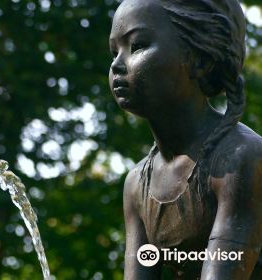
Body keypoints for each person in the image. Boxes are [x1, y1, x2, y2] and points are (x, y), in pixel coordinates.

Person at [108, 0, 262, 279]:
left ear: (200, 60)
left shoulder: (241, 158)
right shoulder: (136, 184)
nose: (117, 64)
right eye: (114, 51)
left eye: (137, 45)